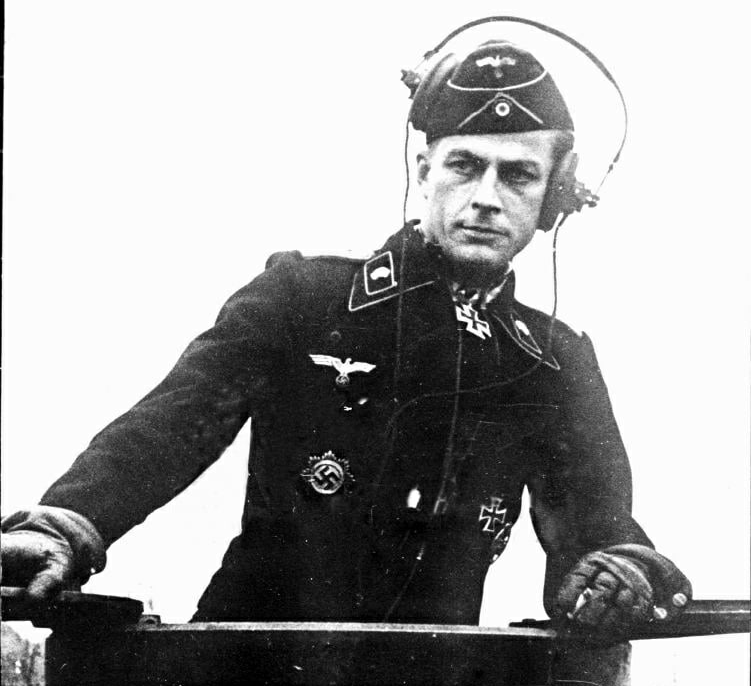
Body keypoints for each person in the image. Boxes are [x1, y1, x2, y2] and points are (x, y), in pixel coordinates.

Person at [1, 36, 691, 629]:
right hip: (251, 672)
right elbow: (170, 426)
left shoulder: (553, 361)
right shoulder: (303, 298)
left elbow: (597, 525)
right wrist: (65, 523)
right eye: (464, 165)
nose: (485, 197)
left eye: (517, 175)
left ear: (552, 200)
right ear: (424, 171)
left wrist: (619, 570)